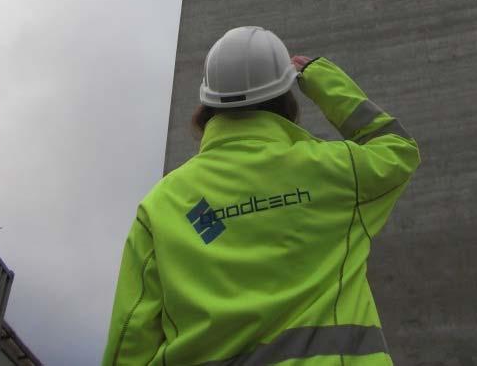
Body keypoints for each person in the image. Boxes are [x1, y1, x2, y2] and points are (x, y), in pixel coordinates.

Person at [101, 26, 421, 365]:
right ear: (286, 98)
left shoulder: (164, 203)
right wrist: (321, 79)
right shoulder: (338, 171)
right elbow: (398, 149)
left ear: (207, 104)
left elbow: (131, 332)